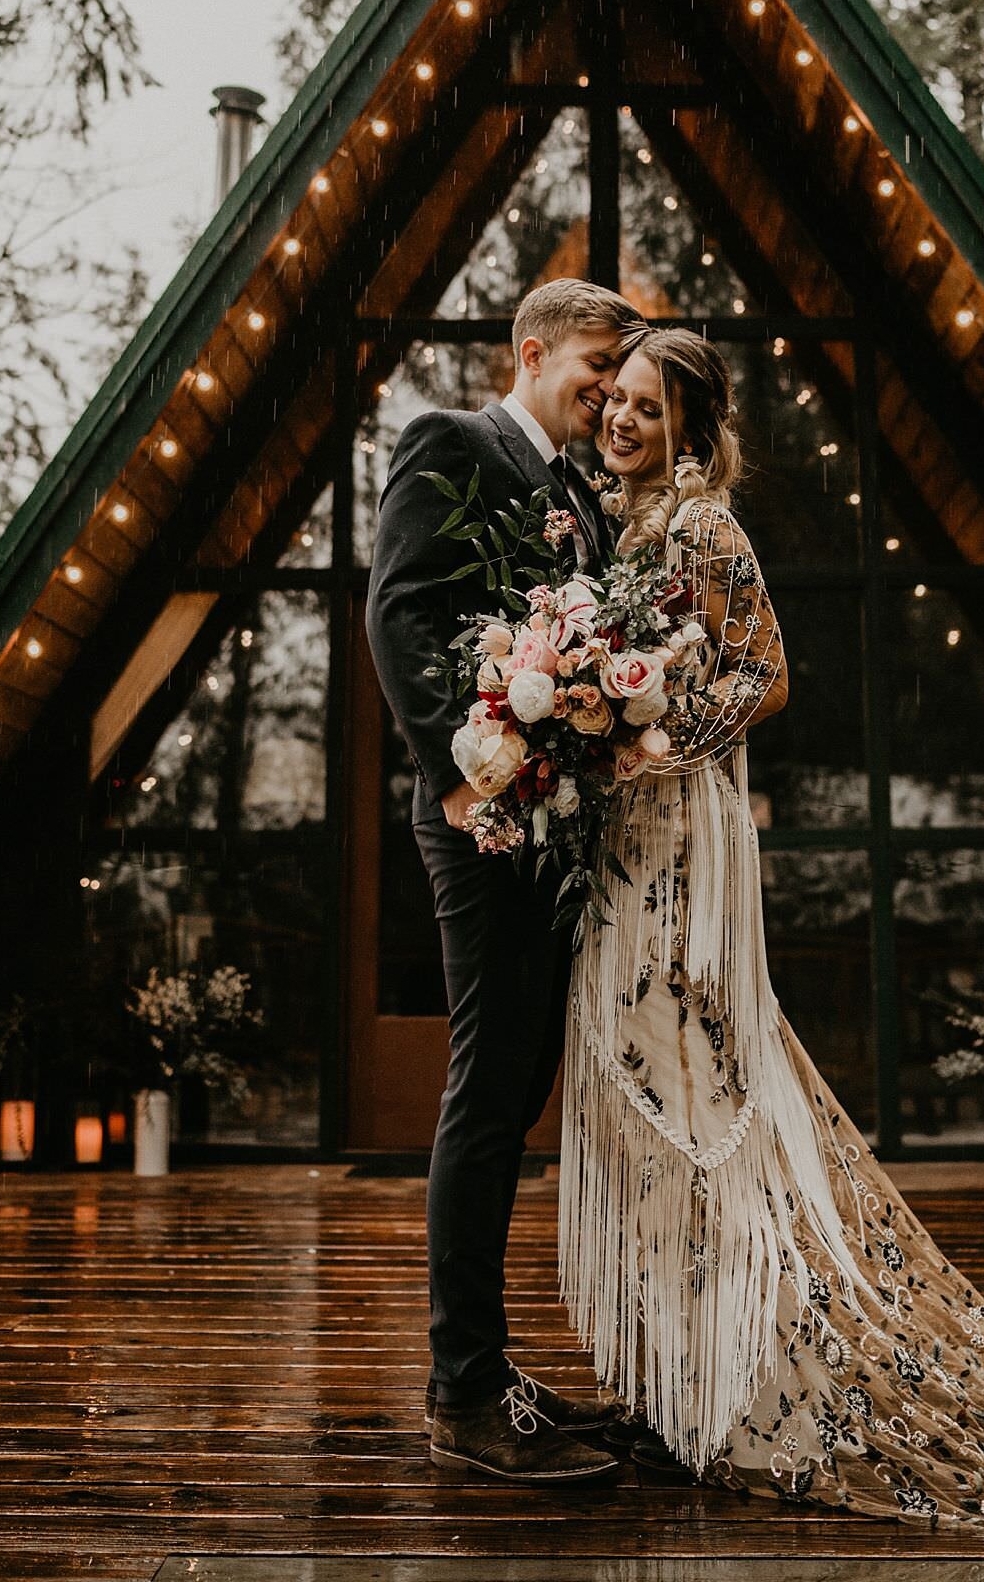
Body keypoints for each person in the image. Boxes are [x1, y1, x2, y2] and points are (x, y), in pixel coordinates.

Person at [560, 324, 984, 1546]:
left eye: (650, 410)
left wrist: (658, 741)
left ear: (693, 430)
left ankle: (728, 1383)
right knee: (649, 1099)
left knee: (701, 1099)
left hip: (682, 839)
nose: (621, 421)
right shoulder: (618, 524)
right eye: (617, 400)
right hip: (623, 836)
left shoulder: (705, 526)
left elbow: (765, 672)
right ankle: (672, 1375)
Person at [365, 275, 644, 1484]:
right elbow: (401, 615)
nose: (608, 388)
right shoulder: (453, 442)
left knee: (520, 1079)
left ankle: (492, 1368)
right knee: (487, 1090)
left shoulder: (583, 490)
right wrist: (469, 773)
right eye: (596, 362)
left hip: (554, 824)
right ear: (532, 350)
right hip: (478, 818)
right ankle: (461, 1391)